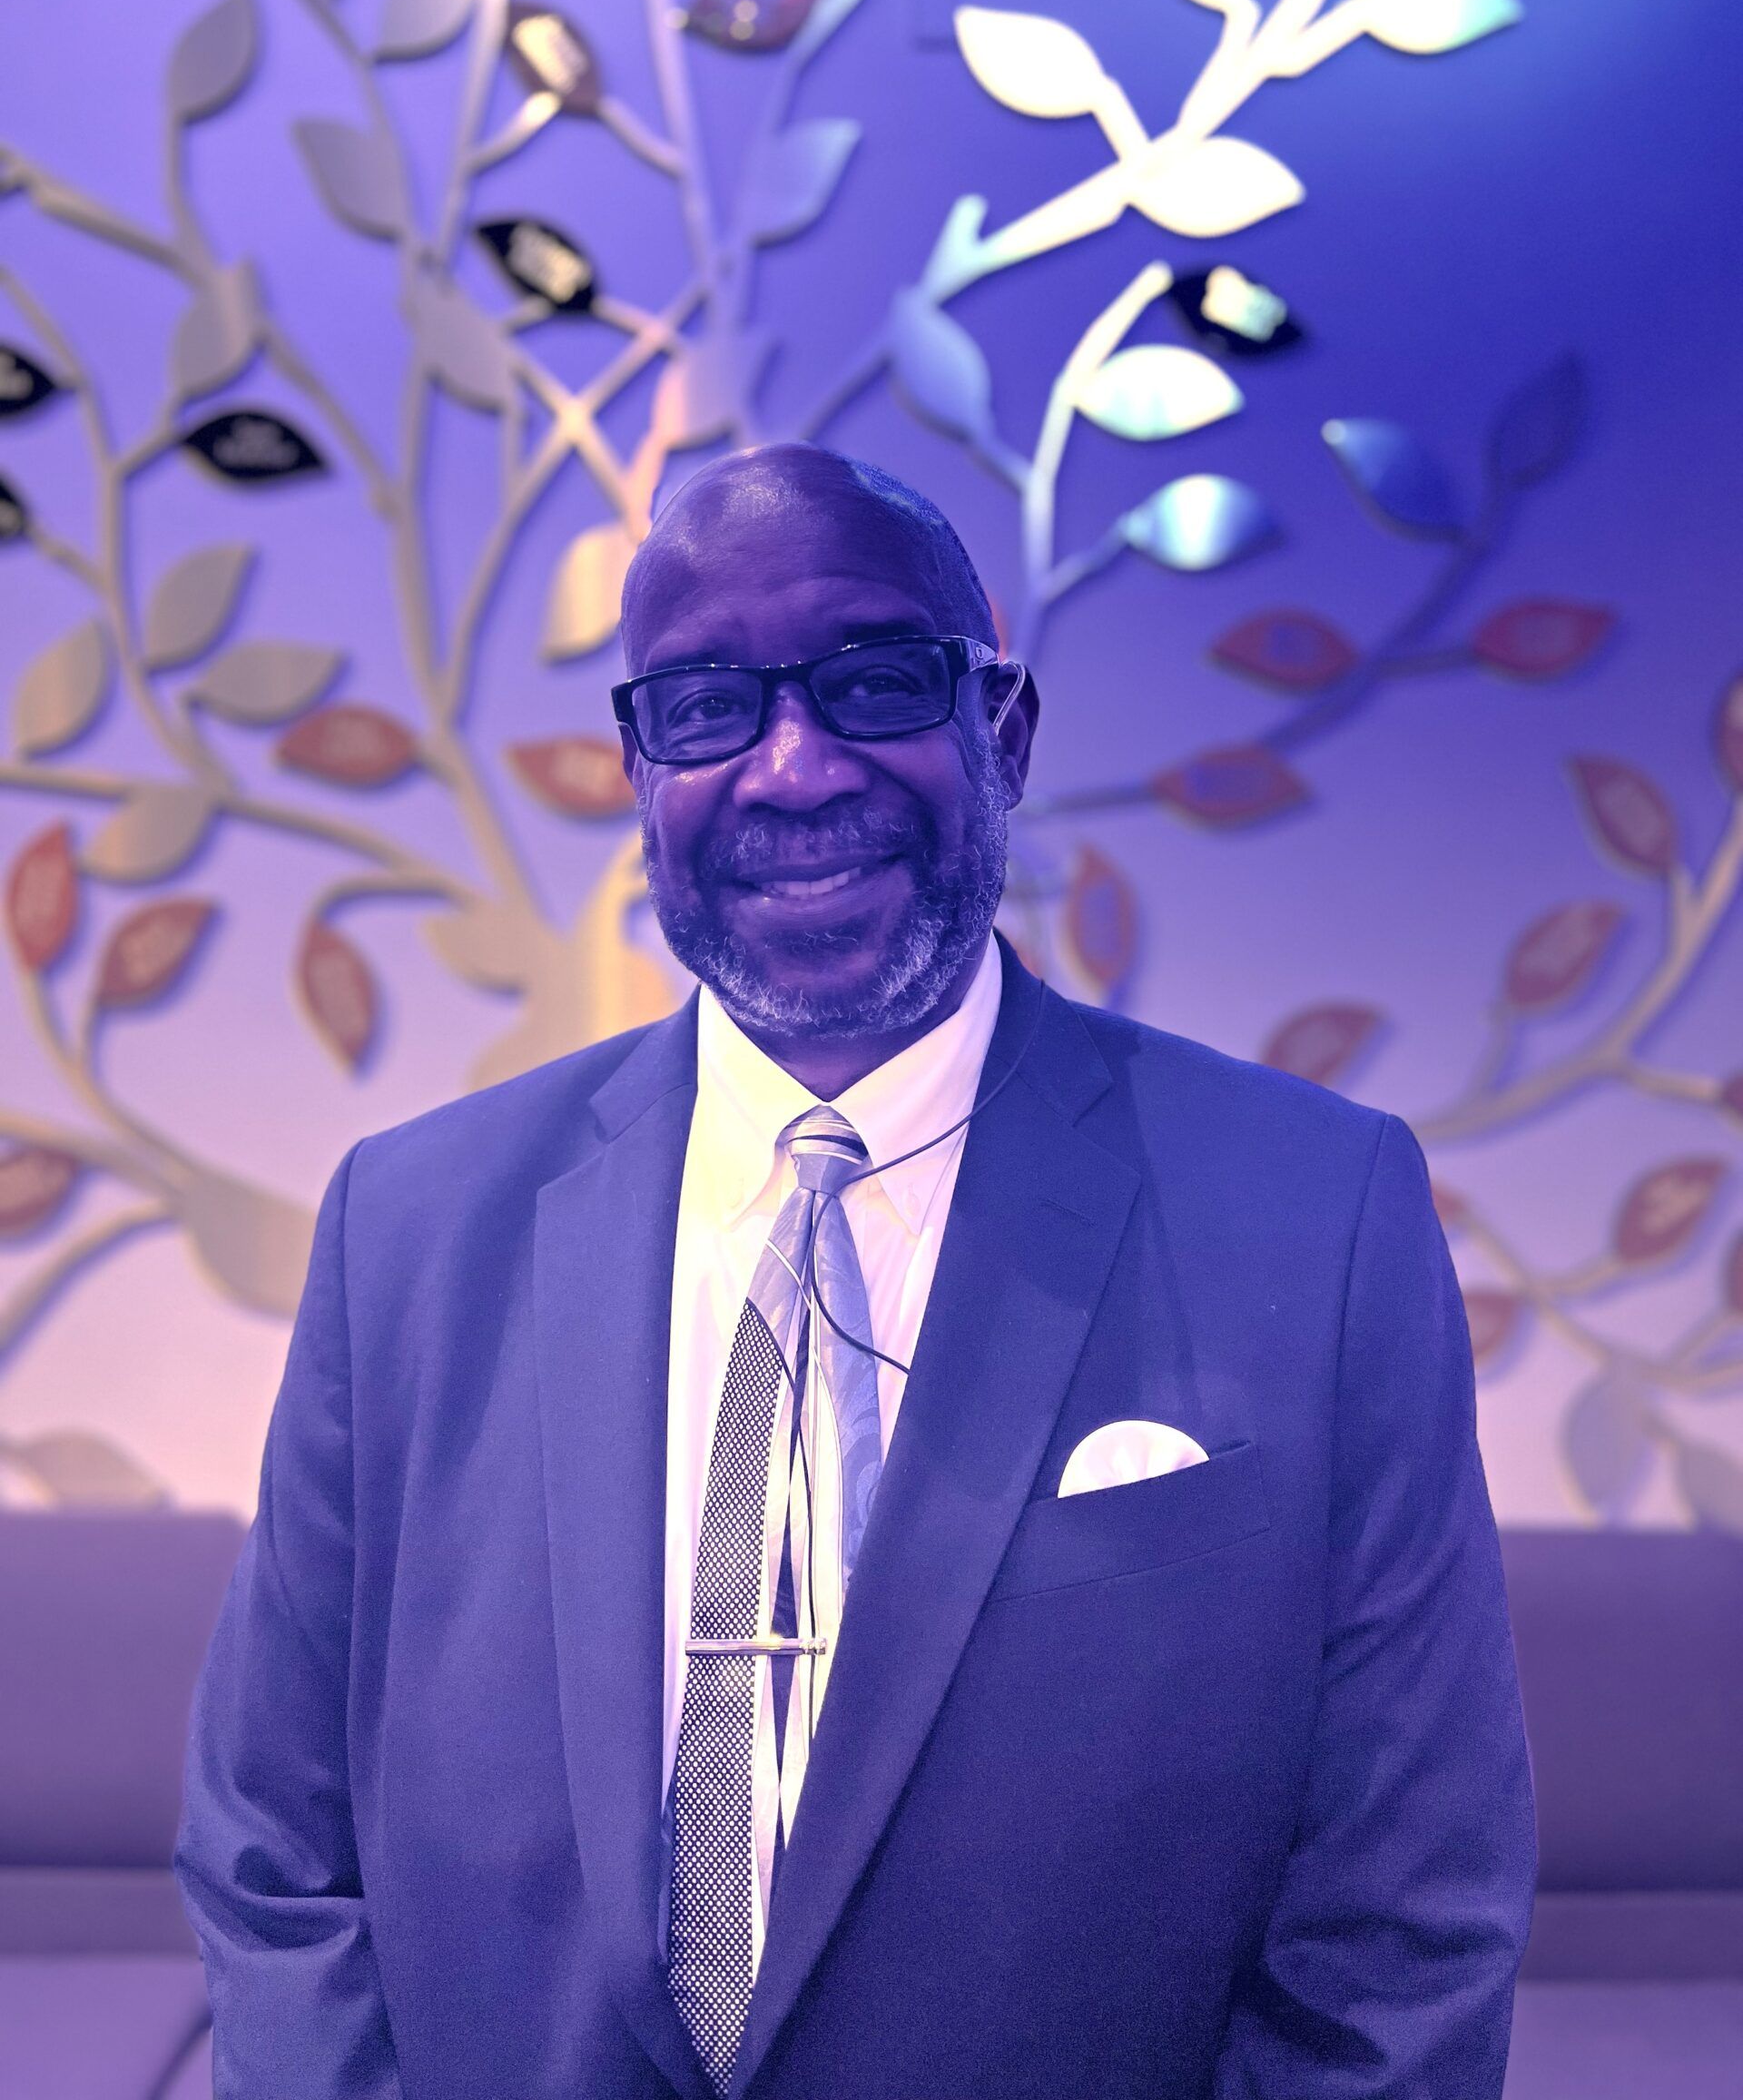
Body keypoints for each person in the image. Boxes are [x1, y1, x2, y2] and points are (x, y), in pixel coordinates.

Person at [177, 443, 1535, 2100]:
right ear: (638, 766)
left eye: (875, 680)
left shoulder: (1315, 1216)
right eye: (706, 708)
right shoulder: (413, 1227)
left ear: (1004, 732)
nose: (795, 769)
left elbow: (1400, 1926)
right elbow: (272, 1849)